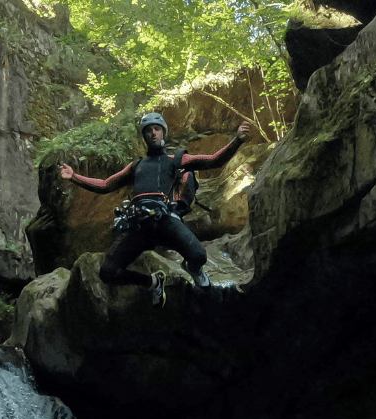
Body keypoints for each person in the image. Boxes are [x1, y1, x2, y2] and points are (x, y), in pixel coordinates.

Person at [59, 113, 251, 307]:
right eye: (148, 130)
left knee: (199, 256)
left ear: (163, 132)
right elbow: (105, 184)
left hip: (167, 221)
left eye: (157, 129)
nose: (153, 134)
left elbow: (213, 160)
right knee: (107, 272)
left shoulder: (176, 159)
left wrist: (237, 141)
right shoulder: (136, 166)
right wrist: (74, 176)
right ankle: (152, 283)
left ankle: (194, 269)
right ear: (144, 136)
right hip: (139, 226)